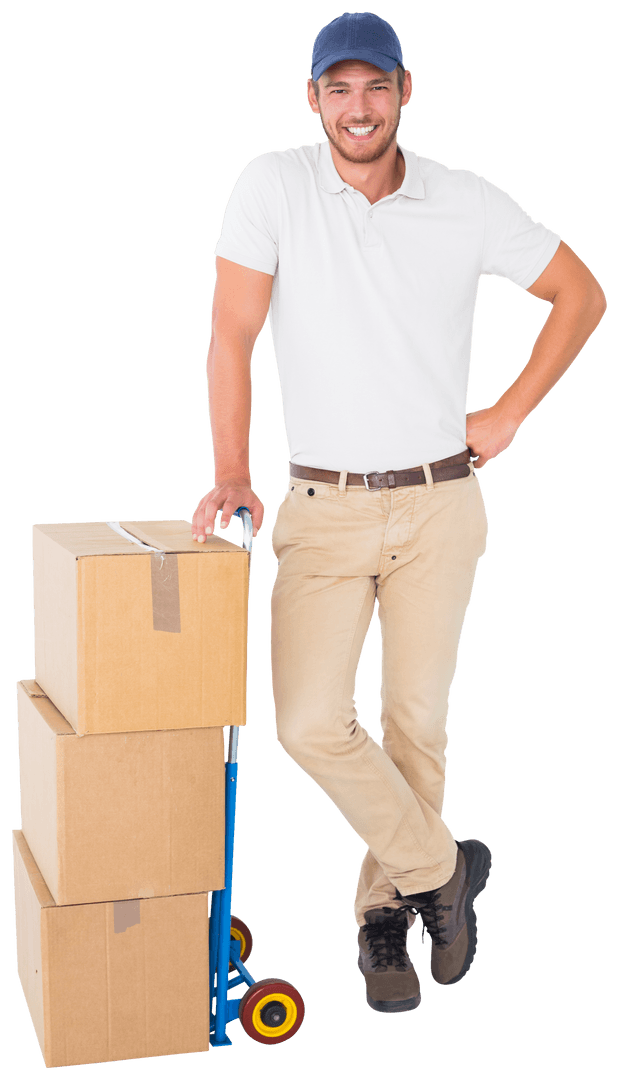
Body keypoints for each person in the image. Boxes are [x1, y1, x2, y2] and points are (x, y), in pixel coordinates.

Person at [191, 11, 606, 1014]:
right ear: (313, 100)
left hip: (440, 505)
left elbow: (580, 294)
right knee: (305, 722)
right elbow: (232, 334)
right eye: (338, 89)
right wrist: (232, 470)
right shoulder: (272, 185)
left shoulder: (461, 201)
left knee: (414, 722)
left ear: (404, 91)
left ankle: (381, 915)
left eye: (375, 86)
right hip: (322, 509)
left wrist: (507, 413)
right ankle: (437, 872)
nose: (357, 107)